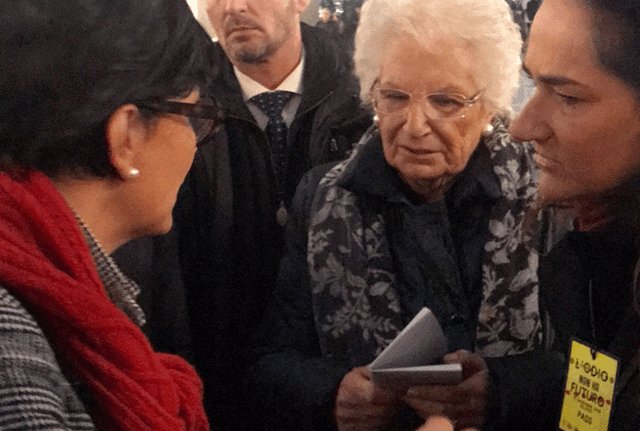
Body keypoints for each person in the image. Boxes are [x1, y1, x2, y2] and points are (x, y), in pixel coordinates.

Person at [246, 0, 549, 429]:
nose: (415, 125)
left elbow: (596, 362)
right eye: (394, 97)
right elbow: (270, 360)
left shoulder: (545, 196)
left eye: (445, 101)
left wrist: (504, 390)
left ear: (491, 104)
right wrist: (332, 393)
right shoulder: (322, 198)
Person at [0, 0, 221, 429]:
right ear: (127, 136)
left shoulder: (53, 293)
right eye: (192, 116)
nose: (194, 143)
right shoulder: (14, 350)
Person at [153, 0, 373, 426]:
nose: (234, 7)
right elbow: (166, 284)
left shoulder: (364, 95)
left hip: (347, 392)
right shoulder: (177, 108)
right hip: (219, 394)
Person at [509, 0, 640, 428]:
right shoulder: (599, 248)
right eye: (531, 84)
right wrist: (501, 392)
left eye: (567, 97)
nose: (521, 128)